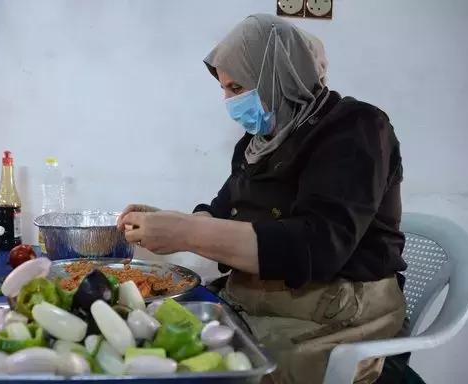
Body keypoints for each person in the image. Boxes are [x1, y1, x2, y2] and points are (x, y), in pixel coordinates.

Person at [117, 14, 408, 384]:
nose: (228, 101)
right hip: (260, 299)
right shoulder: (259, 143)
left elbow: (316, 246)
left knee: (221, 370)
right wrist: (166, 221)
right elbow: (221, 211)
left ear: (280, 73)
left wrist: (187, 233)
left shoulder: (356, 128)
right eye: (224, 89)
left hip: (334, 312)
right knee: (148, 338)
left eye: (237, 87)